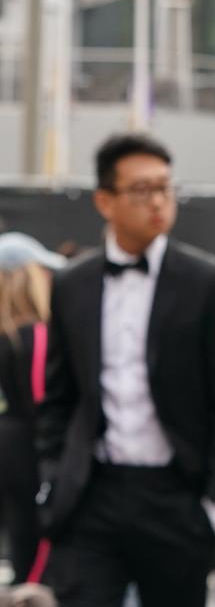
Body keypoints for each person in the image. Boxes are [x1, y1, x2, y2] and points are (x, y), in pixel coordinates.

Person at [36, 134, 215, 607]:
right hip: (93, 494)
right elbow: (59, 395)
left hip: (178, 499)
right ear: (104, 201)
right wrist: (53, 478)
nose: (157, 201)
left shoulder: (211, 283)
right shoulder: (72, 284)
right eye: (141, 190)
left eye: (164, 188)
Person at [0, 234, 65, 587]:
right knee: (34, 554)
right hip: (28, 453)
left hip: (11, 447)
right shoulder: (34, 334)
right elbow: (43, 403)